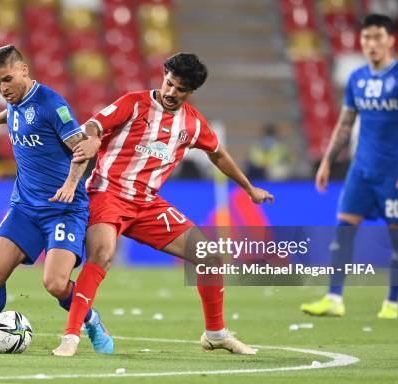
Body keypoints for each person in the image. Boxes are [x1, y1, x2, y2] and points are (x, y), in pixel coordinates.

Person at [51, 52, 274, 356]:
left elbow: (218, 154)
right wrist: (91, 139)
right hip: (108, 194)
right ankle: (71, 336)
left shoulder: (192, 124)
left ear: (191, 92)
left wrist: (249, 188)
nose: (171, 92)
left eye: (180, 89)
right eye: (169, 83)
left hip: (146, 204)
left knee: (208, 257)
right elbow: (94, 125)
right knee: (102, 254)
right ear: (164, 75)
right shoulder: (134, 103)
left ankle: (216, 333)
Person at [0, 45, 113, 353]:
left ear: (24, 70)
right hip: (25, 207)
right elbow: (15, 113)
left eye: (7, 80)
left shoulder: (53, 105)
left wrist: (70, 184)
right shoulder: (15, 100)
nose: (2, 89)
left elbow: (82, 149)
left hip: (63, 210)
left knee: (54, 283)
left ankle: (91, 320)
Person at [301, 14, 398, 319]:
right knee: (343, 229)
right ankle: (334, 298)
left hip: (394, 173)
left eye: (377, 37)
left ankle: (392, 303)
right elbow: (345, 124)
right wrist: (328, 161)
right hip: (361, 170)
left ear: (390, 40)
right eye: (366, 37)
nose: (371, 43)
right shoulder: (357, 79)